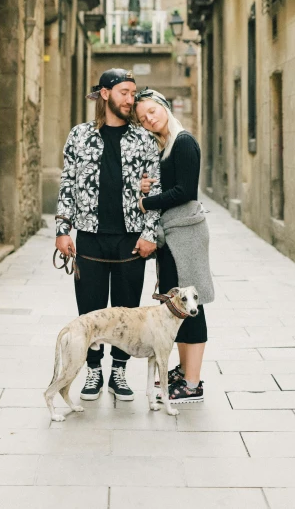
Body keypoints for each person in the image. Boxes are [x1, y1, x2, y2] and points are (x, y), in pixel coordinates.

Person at [55, 69, 162, 402]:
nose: (131, 99)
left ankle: (119, 371)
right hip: (89, 237)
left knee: (127, 312)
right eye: (125, 93)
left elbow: (155, 188)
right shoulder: (79, 136)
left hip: (131, 238)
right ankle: (93, 371)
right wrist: (62, 230)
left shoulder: (143, 138)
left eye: (133, 93)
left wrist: (150, 234)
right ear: (105, 94)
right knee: (90, 310)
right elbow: (67, 184)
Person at [135, 87, 214, 404]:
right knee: (176, 305)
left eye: (151, 111)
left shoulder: (183, 142)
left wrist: (146, 201)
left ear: (164, 106)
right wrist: (148, 184)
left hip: (186, 236)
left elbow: (184, 191)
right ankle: (184, 370)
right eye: (142, 119)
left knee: (191, 306)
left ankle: (192, 384)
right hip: (173, 234)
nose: (148, 119)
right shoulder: (164, 147)